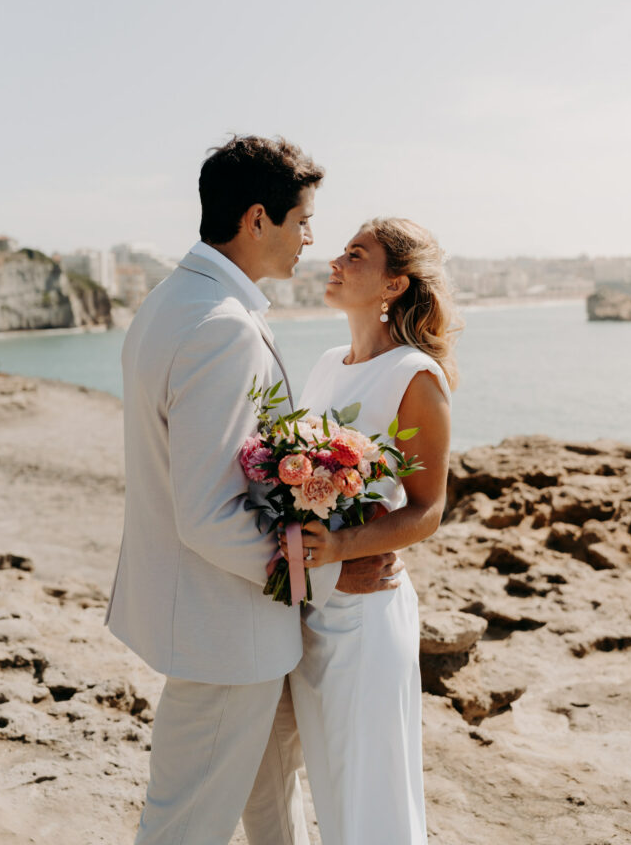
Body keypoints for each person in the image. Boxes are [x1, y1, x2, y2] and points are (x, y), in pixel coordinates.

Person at [104, 135, 404, 845]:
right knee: (183, 825)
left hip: (222, 627)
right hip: (222, 632)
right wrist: (323, 566)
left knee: (275, 813)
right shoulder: (220, 327)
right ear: (258, 218)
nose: (310, 239)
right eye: (303, 221)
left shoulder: (176, 300)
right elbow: (209, 515)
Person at [282, 217, 461, 845]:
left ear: (393, 284)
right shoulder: (329, 363)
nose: (335, 260)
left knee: (373, 795)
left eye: (355, 255)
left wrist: (343, 546)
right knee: (331, 787)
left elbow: (428, 508)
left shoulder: (415, 375)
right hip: (312, 605)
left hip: (365, 612)